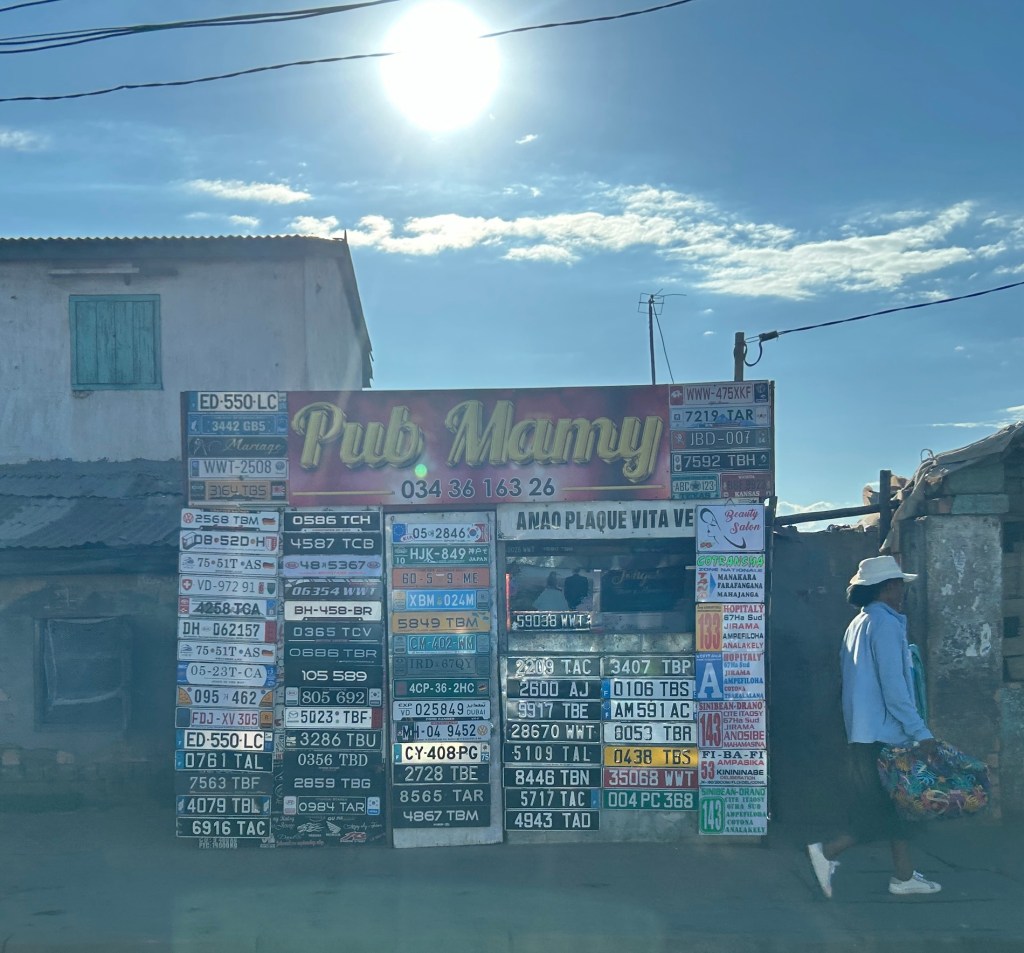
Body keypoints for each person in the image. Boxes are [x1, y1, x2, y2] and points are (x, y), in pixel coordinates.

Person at [806, 555, 942, 899]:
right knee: (886, 810)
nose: (903, 592)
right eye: (899, 585)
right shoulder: (885, 625)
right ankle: (827, 852)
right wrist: (920, 732)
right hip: (886, 733)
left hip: (863, 731)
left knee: (894, 807)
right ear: (887, 588)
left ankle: (904, 876)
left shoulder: (859, 623)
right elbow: (894, 687)